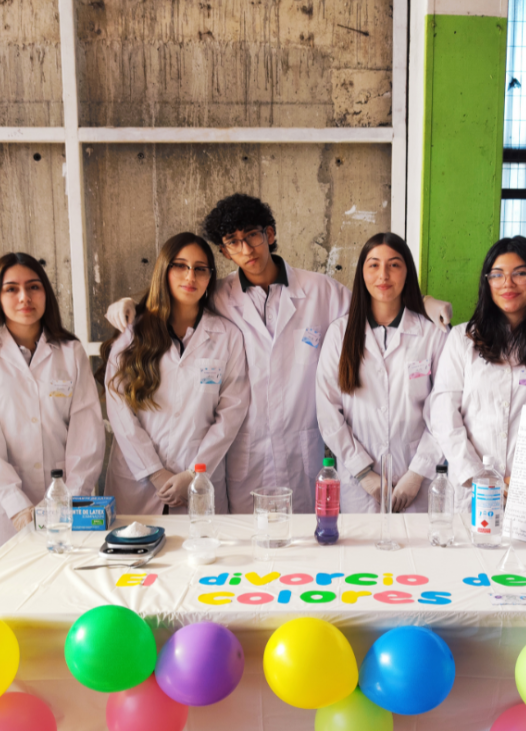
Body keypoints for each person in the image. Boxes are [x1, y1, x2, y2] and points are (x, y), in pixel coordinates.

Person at [106, 195, 350, 513]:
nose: (246, 249)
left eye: (252, 235)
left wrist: (419, 305)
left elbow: (369, 315)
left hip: (301, 450)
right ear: (224, 251)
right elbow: (174, 298)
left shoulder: (322, 291)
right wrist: (129, 305)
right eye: (233, 242)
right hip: (246, 456)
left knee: (300, 536)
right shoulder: (219, 295)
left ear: (269, 234)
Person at [0, 252, 105, 565]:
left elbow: (86, 429)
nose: (25, 297)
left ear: (45, 293)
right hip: (5, 506)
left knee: (68, 581)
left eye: (34, 287)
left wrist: (71, 497)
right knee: (10, 584)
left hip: (65, 497)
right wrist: (17, 505)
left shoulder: (70, 351)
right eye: (12, 289)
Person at [431, 236, 526, 502]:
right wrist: (479, 478)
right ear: (487, 282)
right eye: (497, 275)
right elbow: (444, 414)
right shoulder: (462, 339)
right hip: (471, 492)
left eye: (520, 273)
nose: (508, 283)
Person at [101, 232, 248, 515]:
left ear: (210, 277)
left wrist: (194, 474)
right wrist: (156, 473)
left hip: (200, 479)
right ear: (164, 270)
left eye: (200, 269)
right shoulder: (132, 333)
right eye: (180, 266)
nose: (190, 276)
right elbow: (119, 411)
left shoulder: (227, 336)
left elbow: (232, 412)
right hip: (139, 482)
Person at [316, 232, 447, 514]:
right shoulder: (340, 333)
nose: (383, 275)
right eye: (374, 265)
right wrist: (364, 473)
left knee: (416, 543)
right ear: (362, 273)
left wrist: (417, 473)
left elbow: (444, 409)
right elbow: (328, 411)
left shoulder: (431, 334)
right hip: (358, 486)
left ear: (407, 271)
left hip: (419, 484)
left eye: (394, 265)